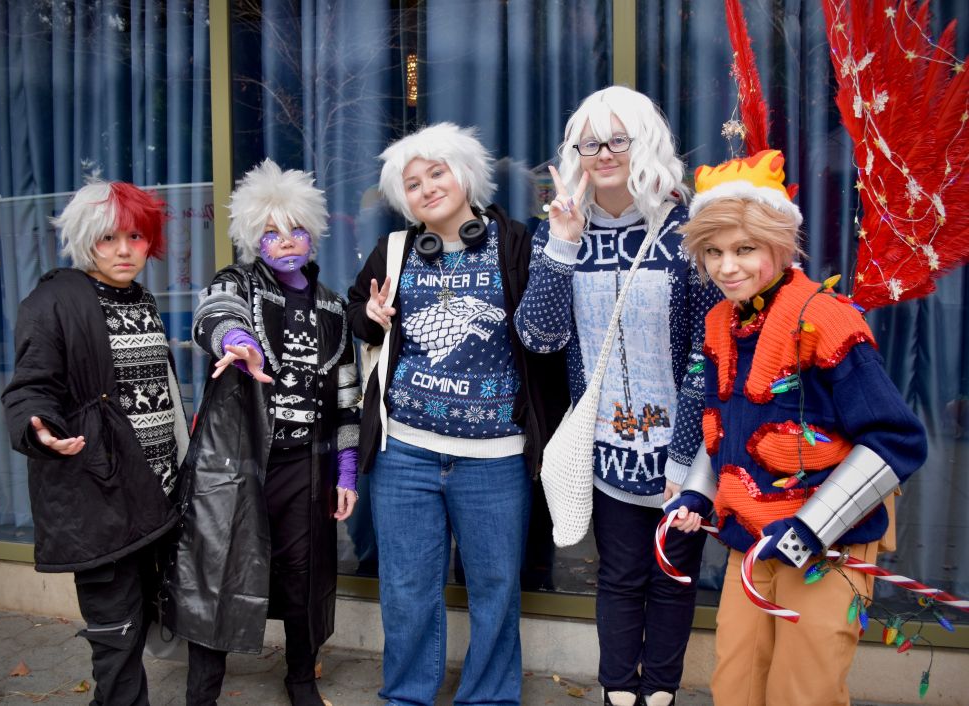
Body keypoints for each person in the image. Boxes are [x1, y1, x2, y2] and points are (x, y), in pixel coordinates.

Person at [670, 149, 928, 706]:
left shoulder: (828, 317)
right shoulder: (720, 321)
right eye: (712, 252)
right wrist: (696, 492)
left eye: (744, 249)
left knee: (802, 690)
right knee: (736, 683)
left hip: (827, 550)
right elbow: (726, 425)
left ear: (779, 245)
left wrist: (812, 527)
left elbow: (895, 440)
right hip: (751, 544)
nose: (726, 267)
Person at [347, 122, 569, 706]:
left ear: (465, 174)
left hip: (495, 457)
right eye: (411, 183)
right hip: (406, 452)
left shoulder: (518, 242)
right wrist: (372, 316)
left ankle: (490, 698)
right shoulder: (394, 250)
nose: (425, 188)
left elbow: (549, 329)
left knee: (496, 587)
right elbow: (359, 321)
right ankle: (406, 696)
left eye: (436, 172)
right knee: (406, 587)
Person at [513, 86, 721, 706]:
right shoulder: (561, 232)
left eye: (617, 139)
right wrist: (564, 242)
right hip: (604, 449)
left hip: (684, 453)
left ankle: (659, 693)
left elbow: (707, 355)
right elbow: (539, 337)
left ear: (644, 144)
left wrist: (685, 463)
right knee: (620, 578)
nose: (603, 153)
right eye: (590, 142)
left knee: (673, 577)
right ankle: (616, 694)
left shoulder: (687, 233)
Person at [162, 159, 360, 706]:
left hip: (305, 466)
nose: (286, 241)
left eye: (296, 229)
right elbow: (214, 310)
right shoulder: (239, 283)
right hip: (236, 462)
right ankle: (202, 691)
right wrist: (233, 338)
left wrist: (346, 471)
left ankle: (301, 677)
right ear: (254, 238)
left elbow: (347, 396)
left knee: (303, 576)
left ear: (313, 233)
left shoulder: (334, 309)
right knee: (218, 571)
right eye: (271, 232)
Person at [2, 181, 186, 706]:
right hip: (99, 496)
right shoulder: (52, 300)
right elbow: (31, 385)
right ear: (86, 241)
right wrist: (37, 424)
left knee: (142, 619)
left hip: (156, 495)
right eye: (107, 238)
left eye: (135, 236)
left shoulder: (142, 299)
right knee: (116, 633)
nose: (124, 250)